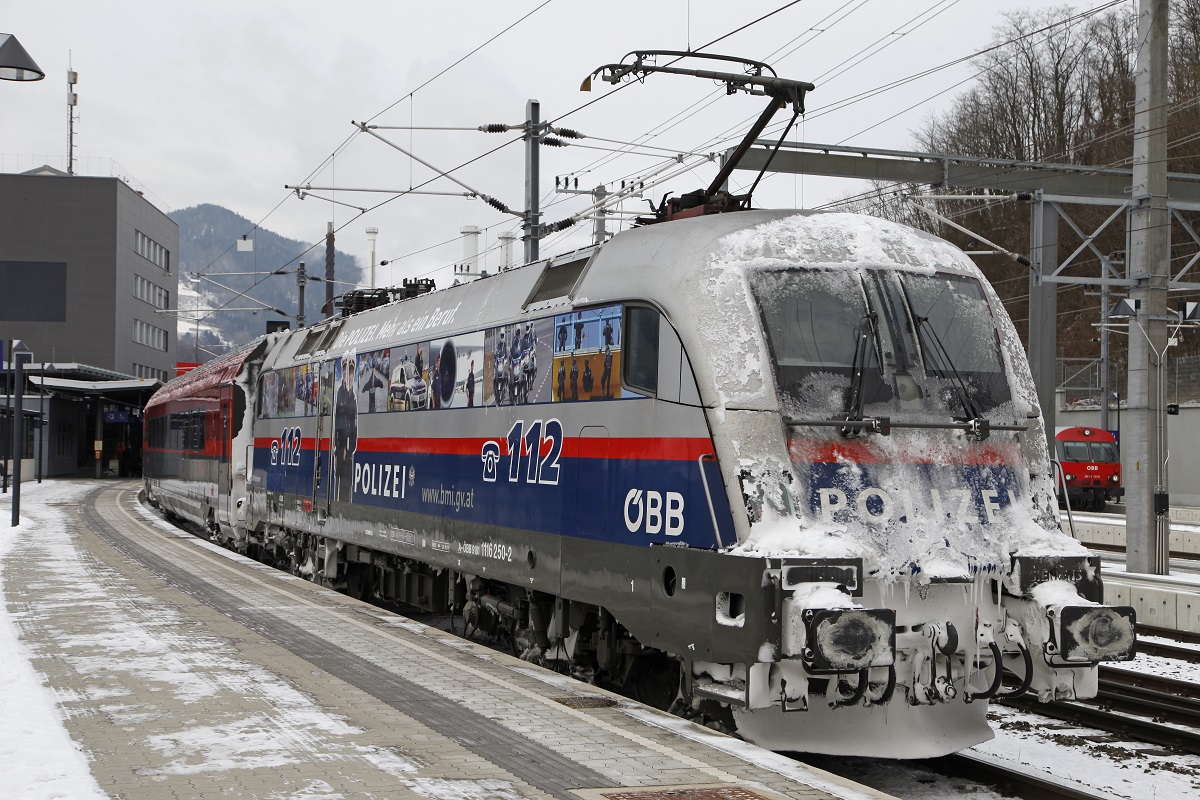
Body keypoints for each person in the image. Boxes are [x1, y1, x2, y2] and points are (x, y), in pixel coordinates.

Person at [333, 358, 358, 503]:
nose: (349, 375)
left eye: (351, 372)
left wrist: (350, 447)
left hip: (350, 450)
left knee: (348, 485)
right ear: (342, 373)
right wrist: (339, 450)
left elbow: (354, 425)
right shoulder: (340, 394)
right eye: (346, 371)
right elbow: (338, 423)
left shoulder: (353, 396)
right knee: (340, 482)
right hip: (341, 448)